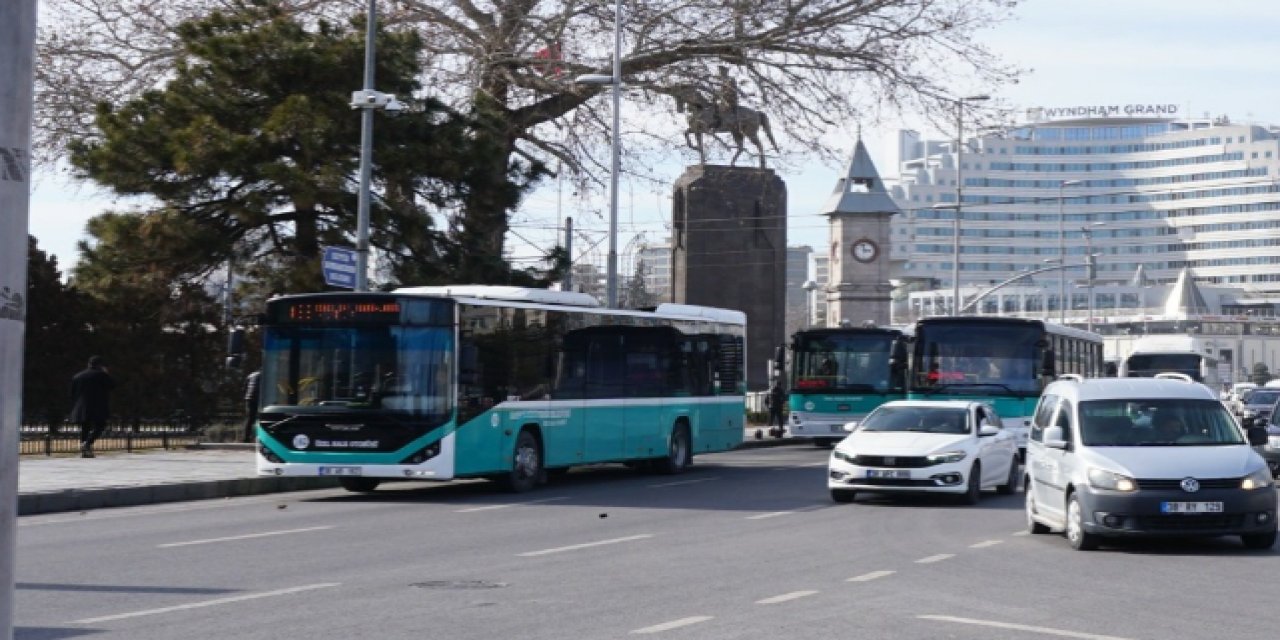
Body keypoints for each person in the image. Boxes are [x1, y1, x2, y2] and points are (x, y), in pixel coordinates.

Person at [70, 355, 115, 458]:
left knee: (84, 427)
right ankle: (88, 444)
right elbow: (112, 385)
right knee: (100, 426)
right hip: (97, 405)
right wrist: (106, 373)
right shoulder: (101, 375)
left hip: (81, 406)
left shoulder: (78, 376)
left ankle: (84, 448)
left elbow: (72, 393)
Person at [242, 369, 261, 443]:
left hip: (249, 398)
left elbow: (245, 388)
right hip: (259, 398)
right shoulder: (266, 375)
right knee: (261, 418)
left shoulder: (250, 375)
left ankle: (246, 438)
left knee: (249, 419)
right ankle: (258, 437)